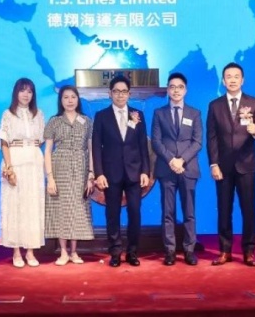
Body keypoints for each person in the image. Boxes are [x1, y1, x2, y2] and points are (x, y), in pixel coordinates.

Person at [206, 62, 255, 267]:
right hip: (223, 166)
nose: (232, 80)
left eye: (236, 76)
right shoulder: (215, 105)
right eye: (228, 76)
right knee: (224, 210)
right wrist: (213, 164)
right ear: (223, 81)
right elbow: (212, 137)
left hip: (246, 165)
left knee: (248, 209)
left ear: (243, 80)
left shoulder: (254, 103)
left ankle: (249, 251)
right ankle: (225, 250)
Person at [91, 75, 151, 267]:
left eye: (124, 91)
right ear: (110, 94)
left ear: (129, 94)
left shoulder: (137, 115)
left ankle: (132, 252)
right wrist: (99, 173)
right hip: (111, 174)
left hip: (134, 173)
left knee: (135, 213)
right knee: (113, 214)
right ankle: (115, 252)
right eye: (116, 91)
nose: (120, 95)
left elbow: (143, 145)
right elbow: (96, 147)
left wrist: (145, 171)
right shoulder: (101, 116)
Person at [151, 72, 202, 266]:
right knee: (168, 212)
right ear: (167, 90)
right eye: (172, 87)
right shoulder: (159, 113)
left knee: (189, 213)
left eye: (180, 87)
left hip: (188, 169)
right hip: (166, 168)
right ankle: (170, 251)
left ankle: (189, 250)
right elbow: (156, 141)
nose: (176, 91)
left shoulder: (195, 113)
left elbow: (197, 142)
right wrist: (172, 160)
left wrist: (182, 161)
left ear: (185, 90)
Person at [44, 85, 95, 266]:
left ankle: (74, 252)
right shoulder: (54, 121)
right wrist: (50, 177)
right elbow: (47, 151)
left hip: (81, 168)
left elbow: (91, 149)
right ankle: (63, 252)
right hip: (60, 168)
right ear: (61, 100)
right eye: (66, 97)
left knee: (78, 210)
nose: (70, 100)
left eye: (73, 96)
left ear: (78, 99)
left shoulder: (87, 121)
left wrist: (91, 174)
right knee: (61, 210)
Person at [0, 78, 46, 268]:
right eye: (22, 90)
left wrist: (32, 150)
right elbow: (4, 142)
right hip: (15, 160)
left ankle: (31, 251)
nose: (26, 95)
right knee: (15, 205)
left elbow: (42, 139)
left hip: (34, 161)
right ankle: (16, 251)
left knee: (32, 205)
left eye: (30, 91)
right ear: (16, 93)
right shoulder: (8, 114)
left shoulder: (38, 114)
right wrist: (9, 166)